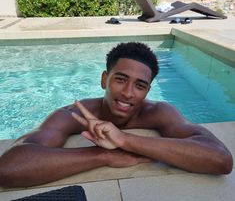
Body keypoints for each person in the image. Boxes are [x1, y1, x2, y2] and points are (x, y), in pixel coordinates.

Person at [0, 42, 233, 188]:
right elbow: (8, 168)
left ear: (148, 91)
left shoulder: (159, 112)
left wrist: (125, 140)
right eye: (120, 80)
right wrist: (102, 156)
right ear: (104, 79)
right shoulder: (73, 114)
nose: (129, 93)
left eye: (140, 85)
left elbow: (220, 160)